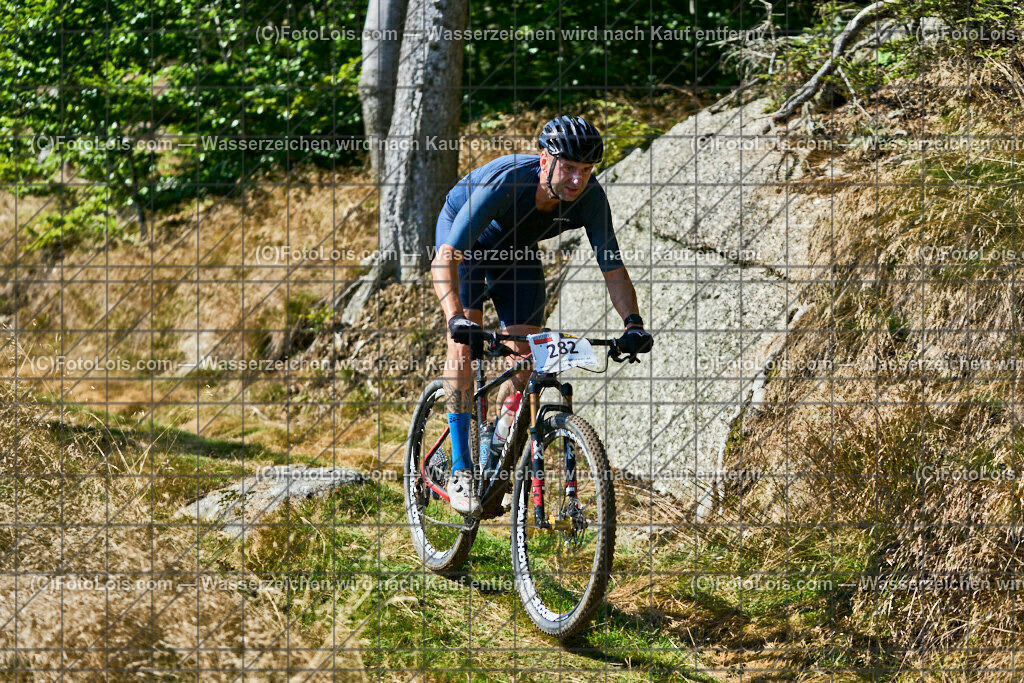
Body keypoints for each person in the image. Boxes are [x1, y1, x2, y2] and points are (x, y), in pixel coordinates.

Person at [430, 115, 653, 514]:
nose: (576, 180)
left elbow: (613, 267)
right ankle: (462, 469)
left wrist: (632, 324)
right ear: (544, 160)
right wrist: (455, 318)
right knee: (463, 346)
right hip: (467, 245)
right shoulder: (508, 181)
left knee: (527, 358)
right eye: (568, 168)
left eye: (586, 170)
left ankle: (495, 441)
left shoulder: (590, 197)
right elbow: (444, 259)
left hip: (517, 254)